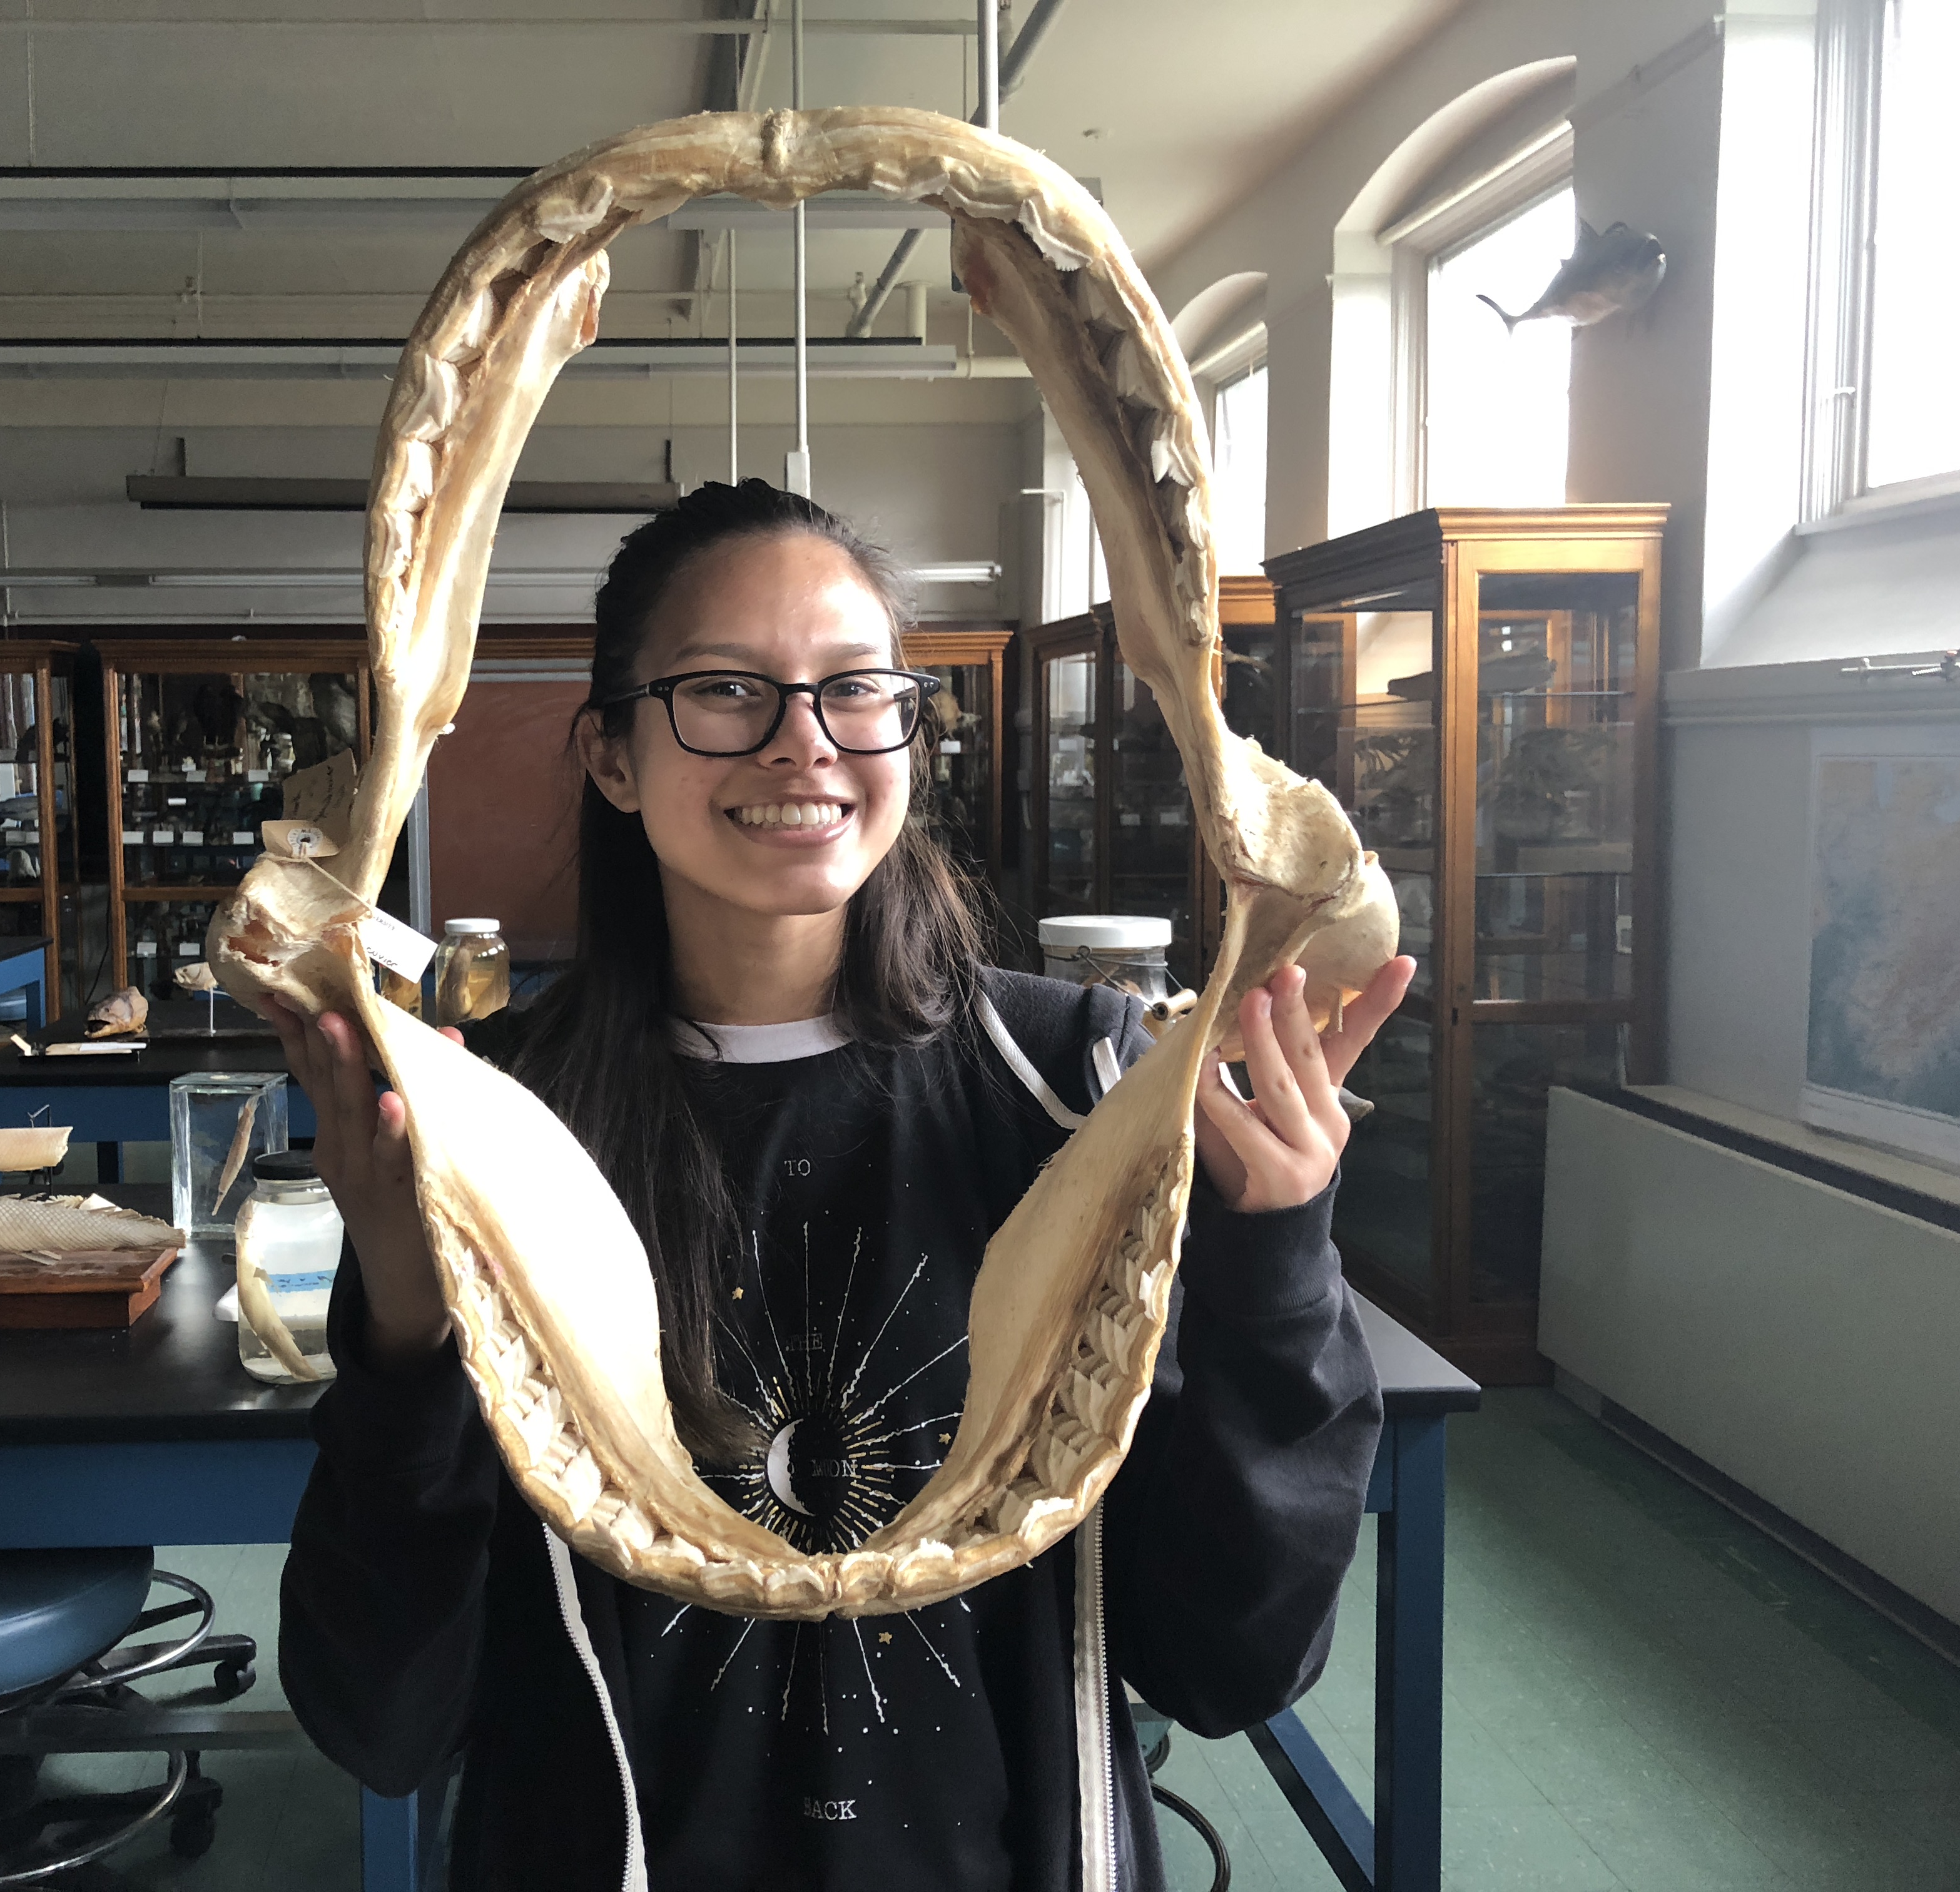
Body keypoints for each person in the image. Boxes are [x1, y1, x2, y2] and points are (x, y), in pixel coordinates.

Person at [270, 479, 1412, 1892]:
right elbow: (380, 1717)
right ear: (613, 755)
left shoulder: (1088, 1095)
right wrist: (406, 1330)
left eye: (856, 691)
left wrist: (1279, 1262)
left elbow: (1231, 1661)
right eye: (725, 691)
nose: (802, 742)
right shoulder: (493, 1128)